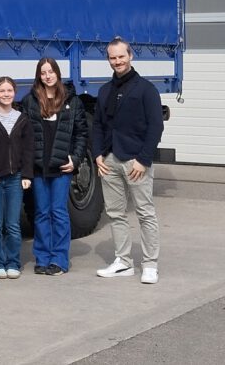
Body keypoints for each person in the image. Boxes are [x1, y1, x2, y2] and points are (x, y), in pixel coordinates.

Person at [92, 37, 165, 285]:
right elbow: (99, 125)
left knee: (145, 213)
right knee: (115, 213)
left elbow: (156, 127)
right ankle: (123, 262)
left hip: (136, 162)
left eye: (121, 56)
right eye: (113, 58)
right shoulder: (104, 91)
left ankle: (150, 264)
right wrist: (97, 154)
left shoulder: (146, 89)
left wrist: (143, 160)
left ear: (130, 56)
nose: (117, 61)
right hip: (109, 160)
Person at [23, 58, 88, 276]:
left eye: (51, 71)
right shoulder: (30, 101)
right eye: (43, 73)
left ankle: (59, 260)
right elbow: (24, 135)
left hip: (61, 168)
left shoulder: (72, 101)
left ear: (58, 74)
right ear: (38, 76)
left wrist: (76, 159)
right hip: (40, 168)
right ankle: (42, 259)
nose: (48, 76)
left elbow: (81, 134)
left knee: (58, 212)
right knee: (41, 213)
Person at [0, 77, 34, 280]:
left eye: (10, 90)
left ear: (15, 93)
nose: (6, 94)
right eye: (2, 91)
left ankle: (13, 262)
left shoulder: (22, 118)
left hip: (15, 178)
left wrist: (27, 174)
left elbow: (28, 150)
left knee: (13, 224)